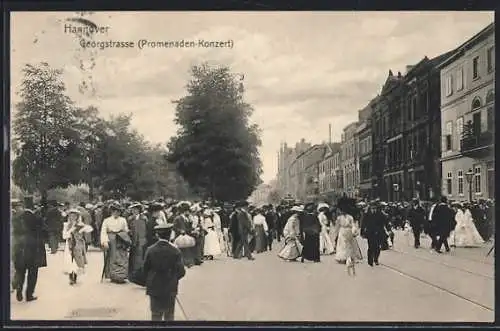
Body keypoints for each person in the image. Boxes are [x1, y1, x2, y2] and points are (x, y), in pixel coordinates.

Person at [143, 223, 186, 321]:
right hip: (170, 287)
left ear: (157, 235)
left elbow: (145, 269)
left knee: (155, 314)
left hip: (154, 287)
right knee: (169, 315)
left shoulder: (150, 250)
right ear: (170, 234)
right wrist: (173, 278)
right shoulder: (175, 251)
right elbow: (181, 271)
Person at [12, 196, 48, 302]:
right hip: (33, 248)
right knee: (33, 273)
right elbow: (43, 230)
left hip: (20, 248)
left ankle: (19, 290)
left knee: (20, 271)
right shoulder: (36, 217)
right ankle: (29, 294)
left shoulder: (17, 217)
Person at [100, 203, 131, 283]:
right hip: (111, 239)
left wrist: (127, 236)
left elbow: (125, 229)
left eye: (118, 211)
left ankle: (121, 276)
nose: (116, 213)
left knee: (122, 257)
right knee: (112, 257)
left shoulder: (123, 220)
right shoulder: (106, 220)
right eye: (114, 211)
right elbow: (103, 232)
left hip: (121, 239)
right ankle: (113, 275)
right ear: (112, 212)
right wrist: (104, 241)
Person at [62, 208, 93, 285]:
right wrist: (70, 231)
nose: (72, 217)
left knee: (77, 260)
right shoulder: (66, 225)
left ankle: (75, 276)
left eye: (74, 216)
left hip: (78, 244)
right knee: (69, 260)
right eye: (71, 216)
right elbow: (64, 236)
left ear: (77, 217)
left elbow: (89, 229)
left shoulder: (80, 225)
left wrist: (81, 230)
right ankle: (70, 276)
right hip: (69, 244)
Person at [334, 198, 363, 265]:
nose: (343, 212)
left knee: (350, 244)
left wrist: (354, 231)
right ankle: (342, 257)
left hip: (348, 231)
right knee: (342, 244)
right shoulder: (339, 218)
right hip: (342, 231)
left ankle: (349, 257)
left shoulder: (350, 217)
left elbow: (353, 224)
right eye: (342, 211)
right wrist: (336, 233)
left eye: (344, 211)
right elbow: (337, 226)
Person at [128, 203, 149, 285]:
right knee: (133, 257)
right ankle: (133, 274)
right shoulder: (130, 219)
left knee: (140, 258)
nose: (134, 211)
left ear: (139, 210)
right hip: (133, 240)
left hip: (142, 240)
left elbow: (146, 229)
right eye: (133, 209)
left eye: (136, 209)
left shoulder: (144, 218)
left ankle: (139, 274)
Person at [361, 202, 386, 266]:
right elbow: (363, 223)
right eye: (372, 207)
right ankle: (370, 261)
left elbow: (384, 222)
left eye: (375, 207)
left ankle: (376, 259)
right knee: (371, 247)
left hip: (378, 232)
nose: (374, 208)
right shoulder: (367, 213)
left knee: (377, 247)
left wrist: (388, 229)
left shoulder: (380, 213)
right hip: (370, 232)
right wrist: (362, 232)